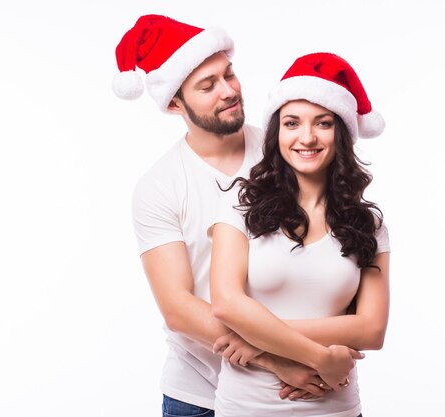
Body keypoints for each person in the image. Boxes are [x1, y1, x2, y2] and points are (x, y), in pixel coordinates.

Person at [113, 16, 356, 416]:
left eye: (229, 74)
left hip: (305, 387)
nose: (228, 91)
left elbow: (341, 255)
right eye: (207, 86)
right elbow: (177, 307)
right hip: (199, 395)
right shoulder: (159, 187)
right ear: (175, 103)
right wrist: (275, 358)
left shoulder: (290, 152)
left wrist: (313, 353)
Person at [209, 52, 390, 417]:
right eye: (292, 123)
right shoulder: (239, 212)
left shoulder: (368, 224)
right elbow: (227, 305)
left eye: (322, 123)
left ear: (341, 133)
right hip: (246, 406)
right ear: (278, 134)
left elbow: (371, 329)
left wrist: (254, 335)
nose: (306, 137)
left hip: (334, 408)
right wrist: (322, 357)